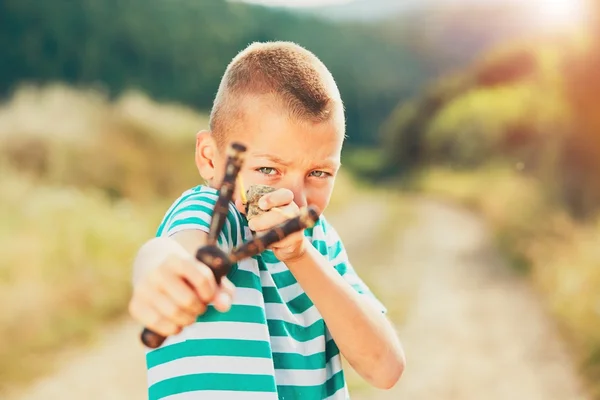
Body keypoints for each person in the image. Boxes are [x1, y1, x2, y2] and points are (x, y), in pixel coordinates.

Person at [128, 41, 405, 400]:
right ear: (211, 160)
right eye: (269, 169)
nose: (294, 198)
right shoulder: (214, 211)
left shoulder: (319, 242)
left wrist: (301, 255)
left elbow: (385, 368)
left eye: (319, 172)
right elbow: (176, 249)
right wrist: (161, 273)